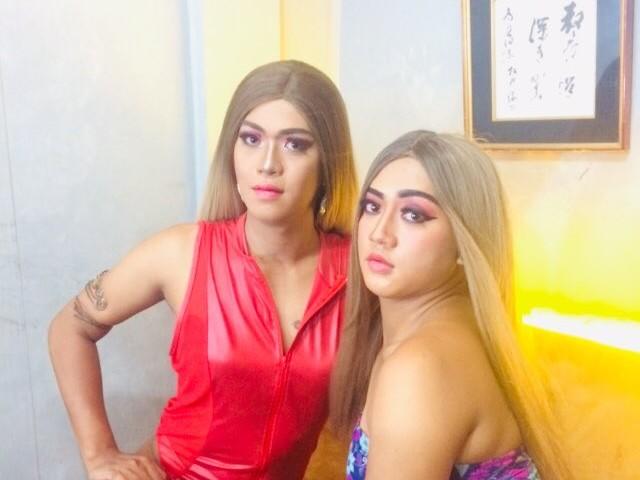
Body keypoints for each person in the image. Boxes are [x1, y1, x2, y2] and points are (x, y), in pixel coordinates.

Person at [49, 60, 358, 480]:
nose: (268, 163)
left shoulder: (358, 271)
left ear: (329, 161)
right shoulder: (182, 253)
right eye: (251, 139)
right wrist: (99, 454)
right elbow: (68, 328)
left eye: (295, 144)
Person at [330, 131, 571, 479]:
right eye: (372, 206)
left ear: (464, 240)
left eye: (413, 215)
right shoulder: (458, 329)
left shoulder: (420, 367)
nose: (379, 233)